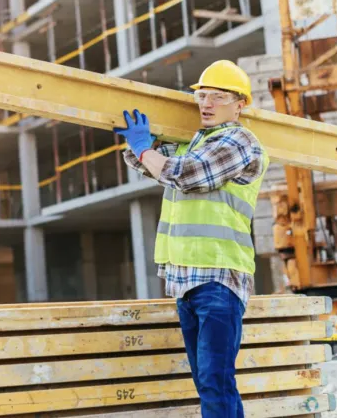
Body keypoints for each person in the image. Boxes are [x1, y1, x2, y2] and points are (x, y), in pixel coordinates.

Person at [114, 60, 268, 417]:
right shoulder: (195, 143)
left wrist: (144, 149)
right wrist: (140, 144)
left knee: (216, 380)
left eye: (217, 96)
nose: (206, 103)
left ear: (240, 104)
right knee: (209, 381)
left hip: (219, 277)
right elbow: (147, 163)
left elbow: (186, 174)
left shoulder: (240, 141)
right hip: (185, 281)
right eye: (202, 96)